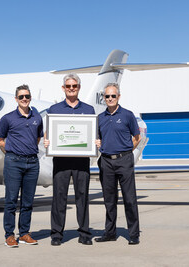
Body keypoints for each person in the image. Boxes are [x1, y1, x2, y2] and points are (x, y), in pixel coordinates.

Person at [44, 73, 95, 246]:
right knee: (59, 198)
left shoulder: (89, 110)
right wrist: (47, 141)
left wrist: (95, 141)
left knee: (83, 197)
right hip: (61, 161)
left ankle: (85, 233)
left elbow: (93, 134)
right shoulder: (54, 109)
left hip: (82, 161)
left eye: (74, 86)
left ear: (79, 88)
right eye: (68, 86)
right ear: (63, 88)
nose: (71, 89)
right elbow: (48, 133)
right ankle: (57, 234)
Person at [0, 84, 43, 248]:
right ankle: (9, 235)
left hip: (32, 162)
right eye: (21, 97)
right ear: (16, 99)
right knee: (11, 200)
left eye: (27, 96)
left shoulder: (37, 118)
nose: (24, 99)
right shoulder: (7, 118)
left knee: (28, 201)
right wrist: (10, 152)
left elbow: (38, 138)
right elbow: (0, 139)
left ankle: (24, 233)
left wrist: (27, 150)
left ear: (30, 98)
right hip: (13, 162)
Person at [94, 83, 142, 245]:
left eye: (113, 96)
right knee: (109, 199)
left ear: (118, 97)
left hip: (124, 161)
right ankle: (110, 232)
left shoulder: (127, 115)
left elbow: (137, 137)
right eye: (107, 96)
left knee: (129, 198)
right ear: (104, 98)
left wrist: (126, 152)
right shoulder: (100, 118)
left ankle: (134, 234)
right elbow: (97, 138)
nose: (110, 99)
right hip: (106, 161)